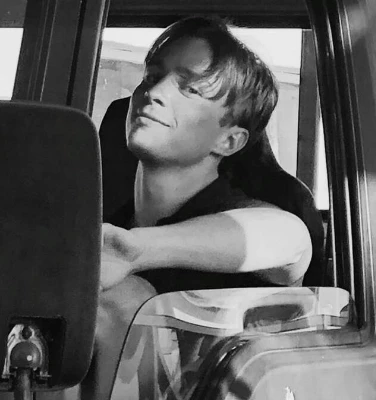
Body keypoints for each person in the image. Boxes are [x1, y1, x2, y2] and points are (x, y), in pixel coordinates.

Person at [100, 16, 314, 295]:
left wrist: (139, 250)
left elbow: (291, 240)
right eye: (152, 77)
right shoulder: (108, 225)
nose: (154, 92)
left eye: (191, 89)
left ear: (229, 141)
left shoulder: (239, 217)